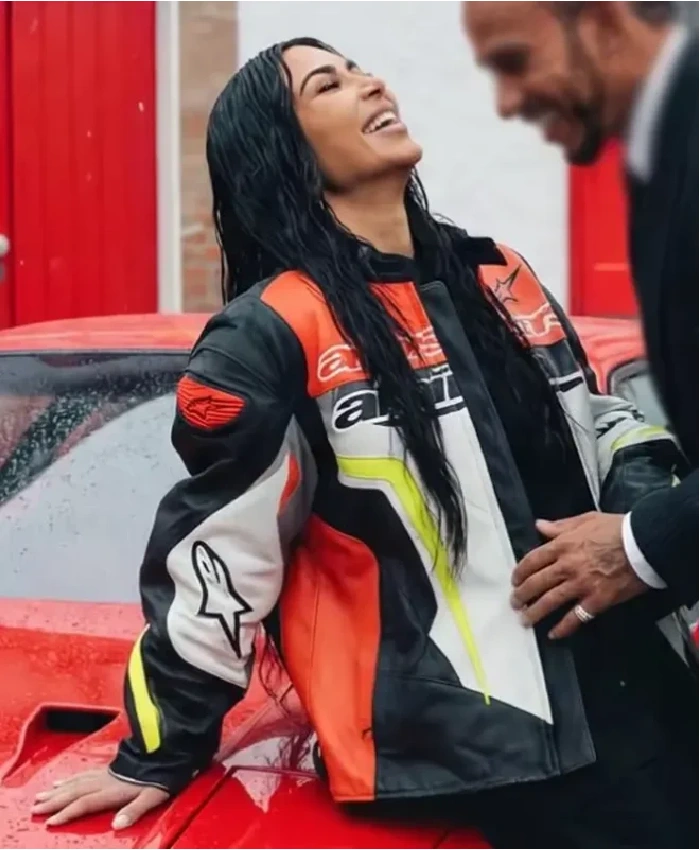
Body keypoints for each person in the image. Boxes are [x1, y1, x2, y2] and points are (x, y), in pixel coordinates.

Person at [33, 38, 697, 848]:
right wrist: (156, 753)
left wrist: (638, 519)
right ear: (285, 150)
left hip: (656, 709)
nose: (371, 83)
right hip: (485, 765)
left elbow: (602, 418)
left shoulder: (501, 274)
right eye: (329, 84)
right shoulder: (272, 333)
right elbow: (221, 555)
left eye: (359, 70)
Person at [463, 1, 698, 642]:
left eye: (516, 62)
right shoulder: (660, 155)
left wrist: (639, 543)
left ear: (602, 24)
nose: (507, 103)